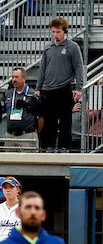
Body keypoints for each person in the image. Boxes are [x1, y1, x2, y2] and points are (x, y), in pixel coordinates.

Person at [36, 17, 83, 150]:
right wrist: (39, 88)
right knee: (48, 121)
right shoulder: (48, 48)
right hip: (47, 89)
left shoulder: (72, 47)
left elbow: (78, 67)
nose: (55, 35)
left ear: (64, 31)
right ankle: (49, 146)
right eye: (53, 32)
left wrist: (79, 87)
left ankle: (64, 147)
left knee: (65, 121)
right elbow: (42, 69)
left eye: (58, 32)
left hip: (63, 88)